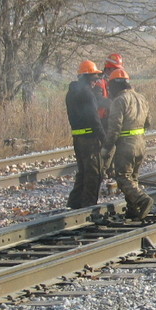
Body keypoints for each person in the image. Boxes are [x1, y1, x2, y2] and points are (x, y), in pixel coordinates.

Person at [100, 68, 154, 220]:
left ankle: (143, 200)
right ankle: (133, 210)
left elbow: (114, 128)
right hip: (141, 143)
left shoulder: (119, 100)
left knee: (123, 177)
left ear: (115, 85)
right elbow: (148, 122)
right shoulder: (141, 98)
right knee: (133, 178)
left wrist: (107, 147)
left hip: (126, 145)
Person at [66, 60, 106, 208]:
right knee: (94, 174)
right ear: (87, 78)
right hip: (90, 139)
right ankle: (88, 208)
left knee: (83, 172)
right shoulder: (87, 94)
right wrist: (103, 137)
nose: (96, 81)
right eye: (94, 78)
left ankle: (74, 204)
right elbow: (94, 119)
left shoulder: (72, 92)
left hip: (78, 138)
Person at [93, 53, 122, 122]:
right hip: (101, 119)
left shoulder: (115, 81)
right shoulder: (99, 81)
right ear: (109, 69)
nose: (118, 72)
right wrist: (115, 105)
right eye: (116, 69)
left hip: (112, 118)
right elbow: (98, 99)